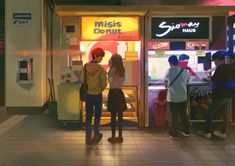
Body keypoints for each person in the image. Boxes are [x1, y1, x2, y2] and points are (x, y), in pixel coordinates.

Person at [198, 51, 235, 139]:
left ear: (218, 59)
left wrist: (207, 79)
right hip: (229, 94)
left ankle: (206, 132)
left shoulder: (220, 68)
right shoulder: (229, 67)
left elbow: (215, 80)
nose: (214, 62)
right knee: (224, 112)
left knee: (209, 113)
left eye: (214, 60)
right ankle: (223, 132)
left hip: (220, 94)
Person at [82, 48, 107, 145]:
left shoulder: (85, 66)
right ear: (96, 56)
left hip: (88, 95)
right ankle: (96, 134)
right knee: (97, 116)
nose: (101, 59)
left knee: (88, 116)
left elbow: (83, 80)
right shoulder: (100, 69)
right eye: (101, 57)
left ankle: (88, 138)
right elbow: (104, 82)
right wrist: (100, 89)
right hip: (97, 95)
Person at [164, 55, 190, 139]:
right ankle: (186, 131)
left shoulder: (169, 71)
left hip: (173, 97)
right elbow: (187, 81)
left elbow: (165, 81)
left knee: (174, 115)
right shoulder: (184, 71)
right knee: (183, 114)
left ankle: (174, 133)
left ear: (170, 63)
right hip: (183, 96)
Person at [107, 54, 127, 143]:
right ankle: (120, 136)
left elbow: (110, 81)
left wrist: (109, 74)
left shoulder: (112, 70)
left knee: (113, 116)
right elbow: (122, 81)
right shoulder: (122, 70)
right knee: (120, 116)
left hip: (113, 93)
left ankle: (113, 136)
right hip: (119, 93)